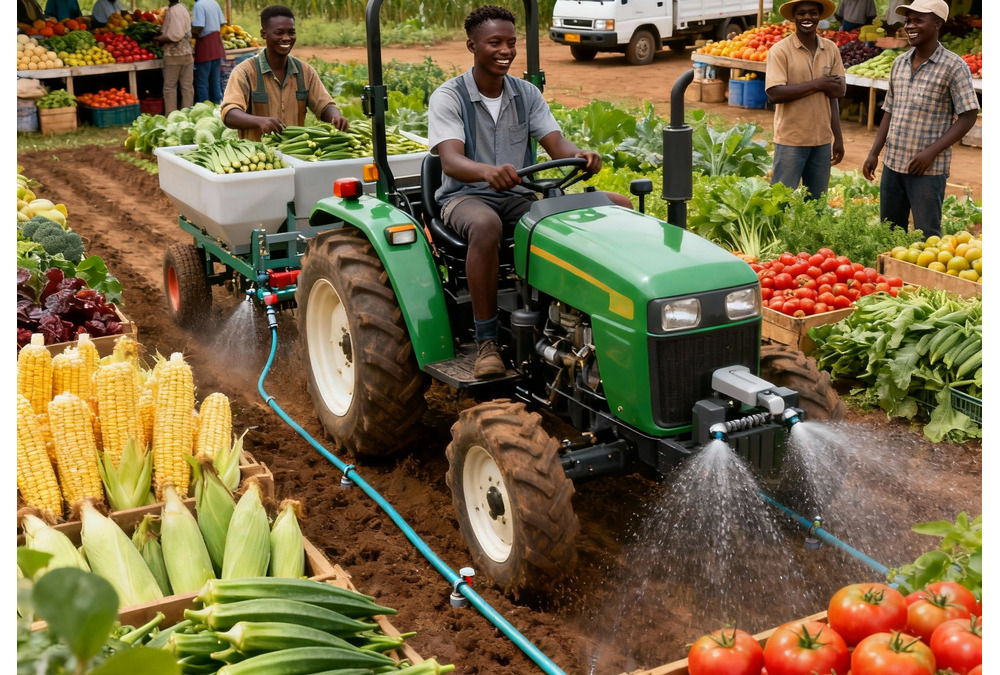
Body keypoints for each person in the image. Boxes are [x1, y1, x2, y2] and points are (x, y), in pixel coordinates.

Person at [427, 5, 633, 379]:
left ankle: (583, 319)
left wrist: (581, 155)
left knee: (607, 209)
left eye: (511, 42)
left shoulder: (526, 93)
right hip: (464, 197)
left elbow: (558, 146)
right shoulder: (449, 96)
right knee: (486, 225)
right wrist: (488, 172)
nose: (505, 50)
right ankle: (487, 340)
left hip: (518, 194)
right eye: (495, 43)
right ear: (472, 45)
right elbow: (452, 161)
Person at [862, 0, 979, 239]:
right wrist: (874, 152)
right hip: (893, 162)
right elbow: (890, 110)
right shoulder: (899, 63)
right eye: (908, 21)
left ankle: (924, 277)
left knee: (928, 235)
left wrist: (931, 152)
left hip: (928, 169)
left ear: (937, 24)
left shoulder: (954, 66)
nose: (910, 26)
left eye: (918, 20)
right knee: (890, 231)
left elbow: (967, 116)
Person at [220, 5, 349, 141]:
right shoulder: (244, 72)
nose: (287, 38)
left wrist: (336, 117)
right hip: (257, 156)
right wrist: (259, 121)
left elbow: (325, 106)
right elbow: (229, 114)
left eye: (291, 32)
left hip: (295, 153)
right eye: (279, 32)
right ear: (264, 34)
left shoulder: (305, 71)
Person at [765, 0, 846, 201]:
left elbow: (838, 91)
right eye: (801, 14)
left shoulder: (831, 49)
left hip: (822, 141)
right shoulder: (780, 50)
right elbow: (774, 93)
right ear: (794, 17)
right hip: (791, 139)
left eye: (812, 13)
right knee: (781, 202)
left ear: (819, 16)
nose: (807, 18)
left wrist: (838, 137)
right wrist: (818, 84)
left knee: (816, 204)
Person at [153, 0, 194, 115]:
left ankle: (171, 116)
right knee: (187, 87)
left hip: (174, 55)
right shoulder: (183, 8)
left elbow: (174, 35)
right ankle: (188, 114)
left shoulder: (172, 11)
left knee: (170, 87)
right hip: (187, 53)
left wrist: (158, 39)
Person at [192, 0, 227, 104]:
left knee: (202, 81)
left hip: (205, 44)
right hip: (216, 43)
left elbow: (199, 26)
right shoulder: (214, 2)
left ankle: (205, 105)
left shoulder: (199, 5)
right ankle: (217, 104)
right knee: (215, 79)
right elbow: (222, 23)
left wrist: (190, 33)